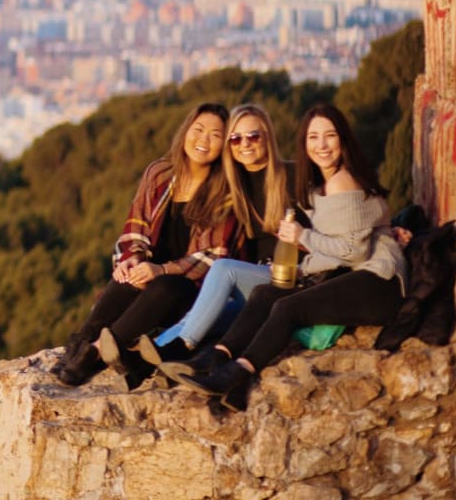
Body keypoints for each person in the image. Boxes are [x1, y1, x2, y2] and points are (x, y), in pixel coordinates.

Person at [170, 103, 410, 401]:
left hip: (378, 282)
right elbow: (365, 220)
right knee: (264, 295)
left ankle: (236, 374)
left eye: (330, 136)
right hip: (353, 274)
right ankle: (218, 360)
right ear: (304, 144)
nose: (321, 145)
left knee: (287, 308)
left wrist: (302, 236)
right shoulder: (322, 184)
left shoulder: (341, 181)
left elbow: (354, 252)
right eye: (313, 138)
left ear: (343, 139)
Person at [52, 103, 239, 388]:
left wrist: (160, 270)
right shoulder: (160, 174)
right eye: (198, 130)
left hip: (191, 288)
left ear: (224, 145)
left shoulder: (224, 192)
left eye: (215, 135)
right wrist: (134, 257)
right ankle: (81, 342)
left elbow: (214, 255)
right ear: (186, 130)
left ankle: (96, 354)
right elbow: (135, 224)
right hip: (148, 275)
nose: (203, 140)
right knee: (128, 275)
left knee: (165, 285)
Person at [135, 104, 292, 370]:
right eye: (235, 139)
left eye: (253, 136)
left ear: (268, 137)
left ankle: (182, 346)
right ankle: (145, 364)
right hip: (256, 285)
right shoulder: (235, 185)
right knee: (202, 315)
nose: (245, 144)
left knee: (223, 269)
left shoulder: (292, 175)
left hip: (289, 277)